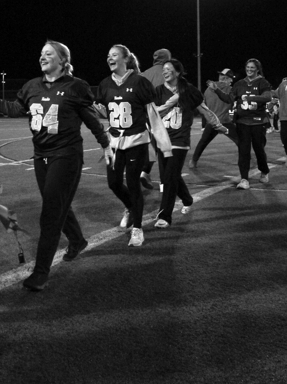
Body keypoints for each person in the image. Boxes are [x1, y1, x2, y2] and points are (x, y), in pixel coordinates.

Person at [0, 40, 112, 291]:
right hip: (41, 156)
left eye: (48, 54)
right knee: (57, 205)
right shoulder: (32, 85)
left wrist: (106, 145)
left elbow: (90, 119)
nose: (42, 57)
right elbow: (13, 109)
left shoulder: (76, 87)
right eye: (41, 53)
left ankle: (41, 272)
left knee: (51, 213)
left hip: (66, 155)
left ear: (62, 60)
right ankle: (77, 240)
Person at [95, 44, 172, 246]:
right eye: (108, 55)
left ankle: (137, 228)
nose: (109, 58)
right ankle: (130, 207)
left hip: (136, 140)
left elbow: (152, 113)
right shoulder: (104, 84)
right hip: (114, 141)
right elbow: (108, 112)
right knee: (113, 183)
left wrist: (163, 143)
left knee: (133, 184)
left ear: (125, 59)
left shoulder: (140, 82)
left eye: (114, 55)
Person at [154, 59, 228, 228]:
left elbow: (204, 110)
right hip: (162, 139)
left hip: (179, 140)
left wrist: (217, 125)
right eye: (163, 69)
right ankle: (187, 198)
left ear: (178, 73)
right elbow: (150, 113)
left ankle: (164, 216)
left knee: (169, 178)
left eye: (168, 69)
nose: (164, 72)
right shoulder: (158, 91)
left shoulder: (189, 91)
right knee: (169, 175)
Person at [208, 58, 273, 190]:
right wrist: (216, 90)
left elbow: (267, 97)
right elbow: (229, 99)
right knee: (243, 151)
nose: (249, 70)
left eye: (252, 68)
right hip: (242, 121)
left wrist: (250, 97)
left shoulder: (262, 82)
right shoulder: (239, 84)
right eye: (247, 67)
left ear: (257, 69)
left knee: (259, 149)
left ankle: (264, 170)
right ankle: (244, 179)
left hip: (257, 122)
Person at [189, 68, 238, 169]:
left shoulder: (208, 89)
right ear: (228, 79)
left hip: (212, 121)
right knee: (241, 141)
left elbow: (204, 104)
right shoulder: (230, 90)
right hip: (225, 121)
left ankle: (193, 161)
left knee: (203, 142)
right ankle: (244, 159)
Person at [140, 48, 172, 189]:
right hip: (166, 116)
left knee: (153, 146)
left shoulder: (145, 74)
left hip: (147, 116)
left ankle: (144, 172)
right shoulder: (169, 72)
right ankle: (165, 185)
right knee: (165, 151)